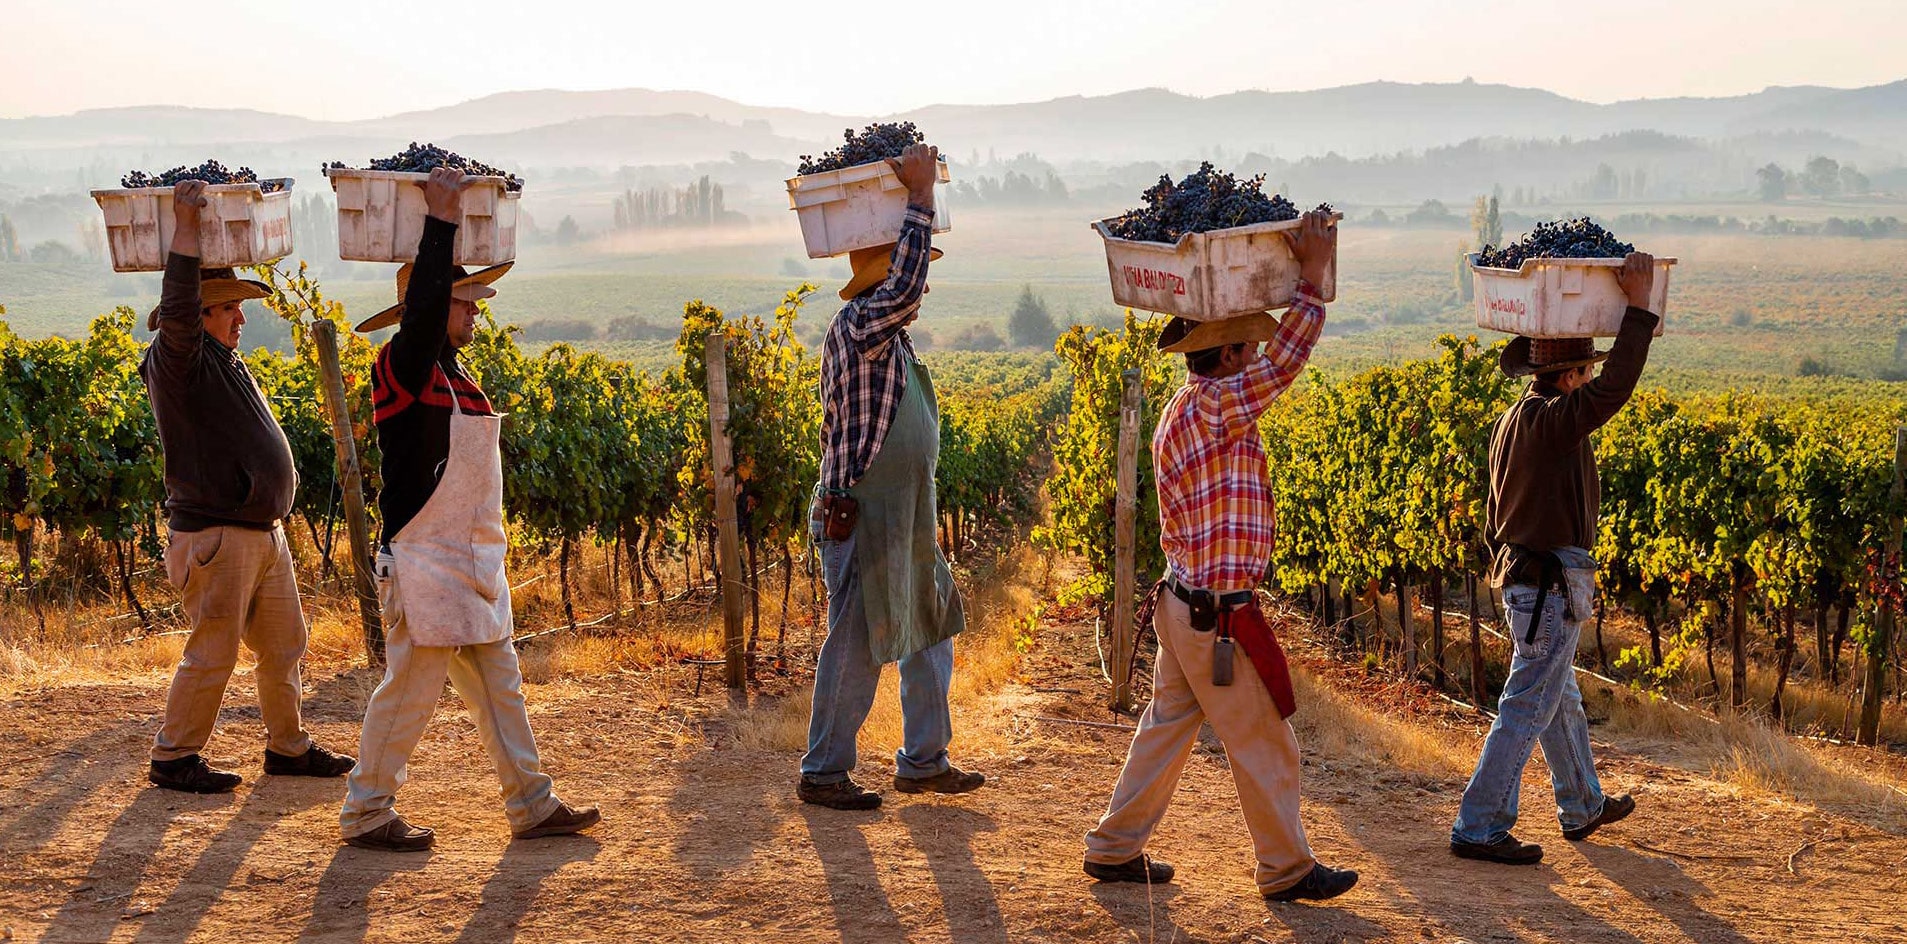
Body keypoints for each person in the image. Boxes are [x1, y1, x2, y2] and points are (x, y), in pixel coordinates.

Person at [1083, 211, 1359, 903]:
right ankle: (1285, 870)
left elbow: (1272, 368)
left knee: (1166, 728)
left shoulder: (1186, 404)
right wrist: (1313, 282)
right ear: (1230, 354)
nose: (1254, 361)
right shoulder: (1215, 409)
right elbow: (1289, 360)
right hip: (1213, 616)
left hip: (1183, 604)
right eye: (1247, 350)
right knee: (1265, 743)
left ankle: (1112, 849)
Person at [339, 167, 598, 852]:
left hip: (471, 558)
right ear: (427, 310)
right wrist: (441, 220)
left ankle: (532, 804)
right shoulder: (405, 364)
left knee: (499, 685)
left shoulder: (459, 377)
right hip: (424, 559)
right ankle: (366, 813)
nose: (475, 314)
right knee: (409, 693)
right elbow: (422, 320)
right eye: (465, 304)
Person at [140, 178, 354, 793]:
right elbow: (177, 307)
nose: (240, 316)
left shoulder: (224, 358)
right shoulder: (179, 359)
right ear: (197, 315)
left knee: (286, 642)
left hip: (262, 533)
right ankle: (173, 757)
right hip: (217, 534)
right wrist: (185, 225)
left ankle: (287, 748)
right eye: (229, 307)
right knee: (214, 651)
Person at [1448, 252, 1660, 865]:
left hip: (1525, 581)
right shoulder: (1555, 422)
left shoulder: (1514, 420)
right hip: (1546, 589)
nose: (1590, 380)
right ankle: (1479, 824)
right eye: (1585, 370)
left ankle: (1581, 802)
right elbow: (1614, 390)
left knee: (1556, 695)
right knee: (1529, 704)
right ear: (1571, 377)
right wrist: (1639, 311)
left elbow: (1494, 514)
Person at [797, 142, 984, 811]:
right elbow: (904, 286)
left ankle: (924, 760)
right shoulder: (861, 326)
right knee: (854, 644)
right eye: (913, 272)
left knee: (930, 624)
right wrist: (921, 197)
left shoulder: (890, 341)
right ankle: (822, 771)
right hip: (863, 514)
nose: (922, 286)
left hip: (906, 517)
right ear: (888, 275)